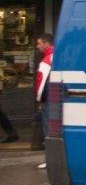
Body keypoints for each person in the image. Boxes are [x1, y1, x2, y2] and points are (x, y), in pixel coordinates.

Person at [35, 33, 54, 169]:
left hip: (48, 99)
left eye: (39, 43)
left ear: (46, 43)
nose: (38, 46)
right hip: (57, 98)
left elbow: (40, 82)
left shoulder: (46, 61)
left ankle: (50, 160)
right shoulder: (58, 55)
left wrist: (39, 99)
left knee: (48, 129)